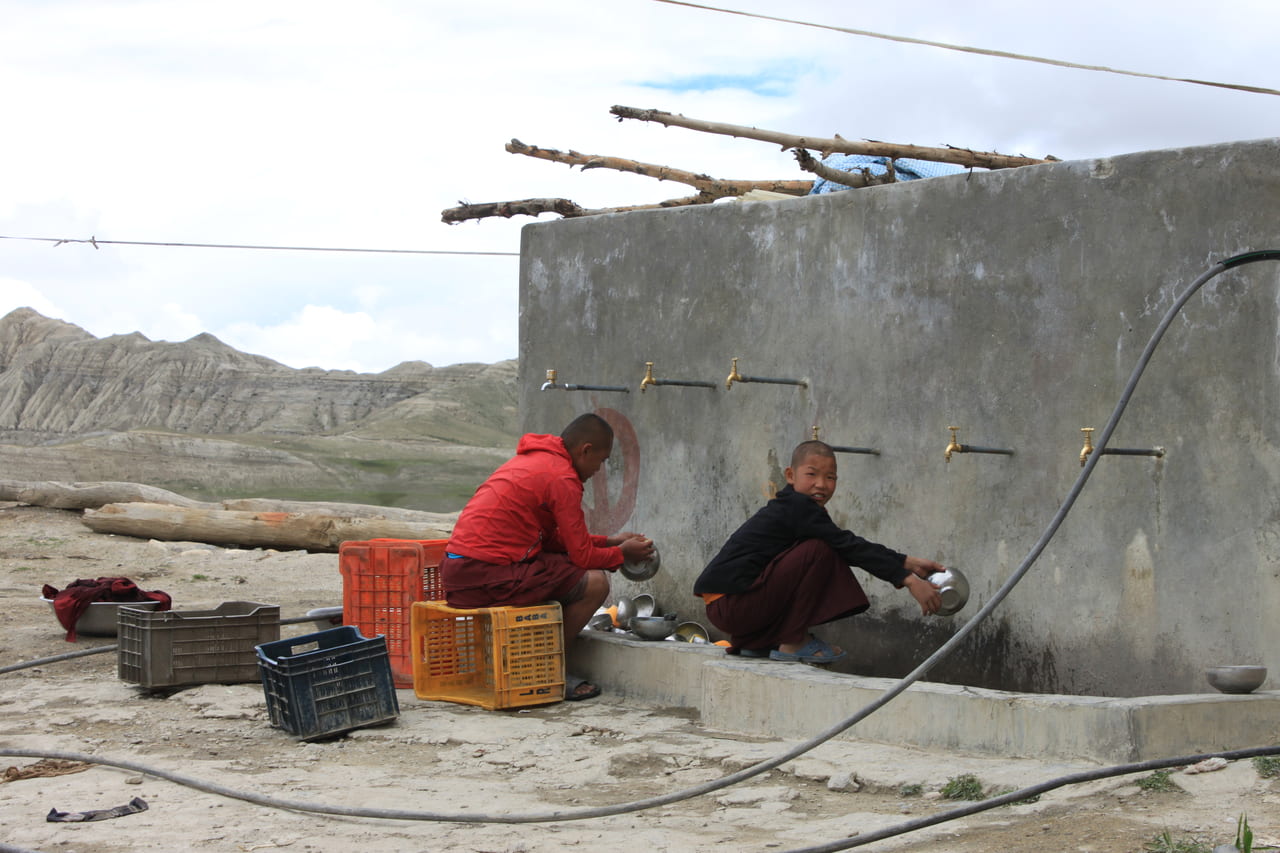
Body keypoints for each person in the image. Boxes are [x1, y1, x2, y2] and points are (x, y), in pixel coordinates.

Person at [441, 412, 654, 699]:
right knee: (594, 583)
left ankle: (530, 660)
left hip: (460, 570)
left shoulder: (536, 461)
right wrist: (620, 554)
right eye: (601, 461)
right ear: (585, 450)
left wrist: (610, 542)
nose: (598, 471)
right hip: (484, 575)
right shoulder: (561, 477)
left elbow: (556, 541)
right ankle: (545, 670)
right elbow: (581, 556)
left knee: (566, 571)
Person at [693, 439, 944, 664]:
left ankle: (757, 643)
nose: (821, 485)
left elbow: (850, 544)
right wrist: (907, 579)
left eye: (831, 477)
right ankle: (794, 642)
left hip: (730, 606)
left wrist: (907, 562)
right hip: (732, 605)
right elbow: (847, 545)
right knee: (819, 550)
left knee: (821, 548)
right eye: (811, 474)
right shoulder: (797, 507)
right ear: (790, 475)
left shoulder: (795, 507)